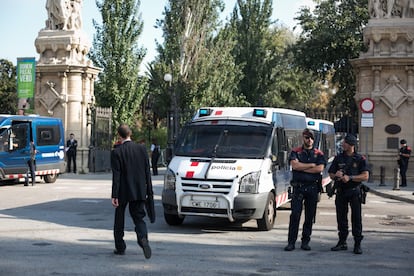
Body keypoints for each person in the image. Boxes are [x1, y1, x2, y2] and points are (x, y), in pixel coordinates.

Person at [111, 124, 154, 259]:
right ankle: (143, 238)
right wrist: (147, 189)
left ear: (119, 135)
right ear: (130, 134)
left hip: (123, 191)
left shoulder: (116, 152)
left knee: (119, 218)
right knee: (139, 217)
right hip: (139, 189)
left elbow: (116, 175)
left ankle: (120, 246)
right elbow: (147, 171)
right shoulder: (141, 149)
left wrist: (114, 195)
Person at [284, 129, 326, 251]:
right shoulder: (296, 151)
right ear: (303, 138)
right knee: (295, 215)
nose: (309, 140)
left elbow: (319, 169)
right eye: (307, 137)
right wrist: (311, 165)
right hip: (299, 187)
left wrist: (302, 168)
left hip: (312, 188)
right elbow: (295, 166)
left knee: (309, 216)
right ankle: (291, 242)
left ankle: (305, 242)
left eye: (312, 138)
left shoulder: (319, 154)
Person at [328, 134, 369, 255]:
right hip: (341, 191)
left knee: (356, 218)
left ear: (351, 145)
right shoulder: (339, 158)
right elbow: (330, 173)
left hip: (354, 191)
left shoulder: (360, 159)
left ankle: (357, 243)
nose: (342, 144)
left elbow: (365, 176)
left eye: (344, 142)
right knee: (341, 218)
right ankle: (342, 242)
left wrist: (350, 177)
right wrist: (337, 175)